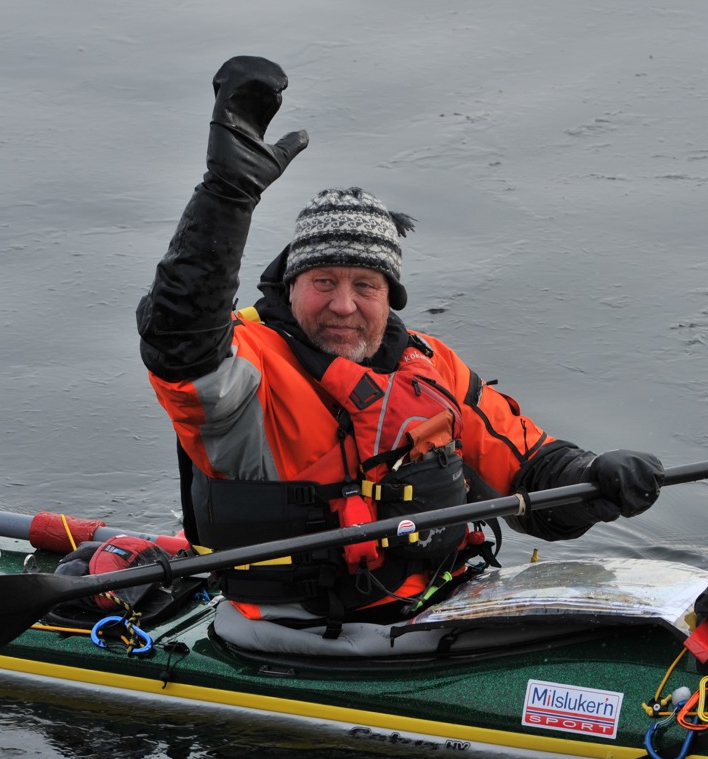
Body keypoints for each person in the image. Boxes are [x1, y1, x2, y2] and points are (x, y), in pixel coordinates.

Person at [136, 56, 664, 632]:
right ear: (291, 287)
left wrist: (595, 477)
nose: (343, 305)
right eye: (323, 282)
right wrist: (227, 196)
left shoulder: (430, 365)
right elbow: (179, 335)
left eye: (365, 285)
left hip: (437, 606)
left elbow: (531, 471)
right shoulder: (245, 369)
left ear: (390, 296)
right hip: (288, 631)